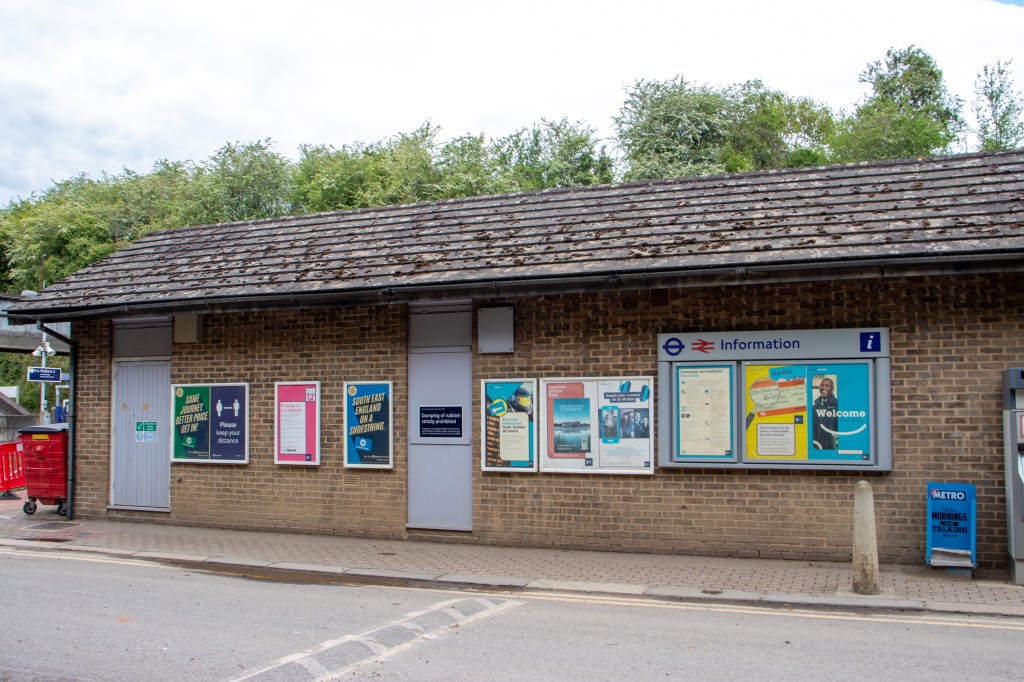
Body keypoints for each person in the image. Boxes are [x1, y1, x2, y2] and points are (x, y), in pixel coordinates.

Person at [812, 377, 838, 450]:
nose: (823, 387)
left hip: (831, 446)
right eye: (822, 385)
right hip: (817, 446)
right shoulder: (814, 406)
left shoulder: (837, 405)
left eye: (827, 386)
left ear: (832, 389)